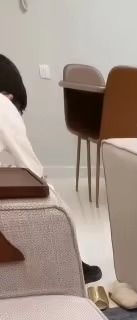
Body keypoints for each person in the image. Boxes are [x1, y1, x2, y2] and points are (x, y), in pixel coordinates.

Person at [0, 54, 101, 285]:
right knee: (49, 196)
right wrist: (43, 180)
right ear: (11, 95)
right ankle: (70, 263)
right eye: (19, 109)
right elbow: (31, 170)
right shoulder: (3, 105)